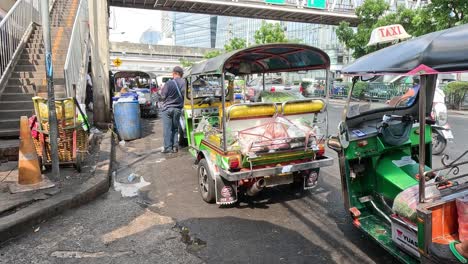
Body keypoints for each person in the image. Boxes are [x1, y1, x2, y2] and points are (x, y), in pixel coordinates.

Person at [160, 66, 185, 154]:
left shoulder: (169, 83)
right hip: (178, 109)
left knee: (167, 129)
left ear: (174, 73)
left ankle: (168, 148)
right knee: (175, 128)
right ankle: (175, 147)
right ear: (181, 74)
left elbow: (163, 96)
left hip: (167, 109)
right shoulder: (184, 83)